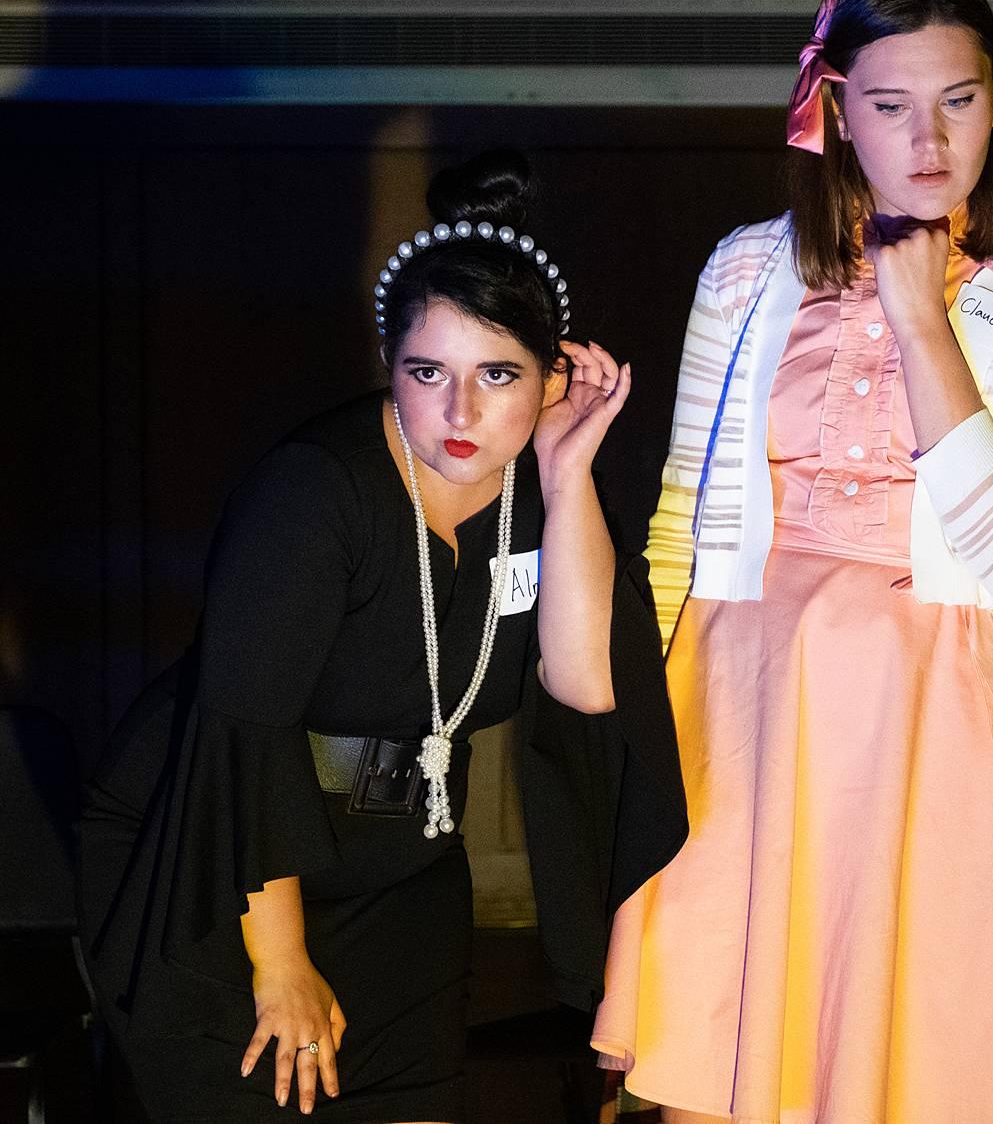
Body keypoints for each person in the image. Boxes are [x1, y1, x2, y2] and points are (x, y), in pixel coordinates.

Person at [592, 0, 993, 1123]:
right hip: (742, 702)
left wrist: (921, 318)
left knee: (927, 1065)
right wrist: (652, 720)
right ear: (835, 108)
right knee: (722, 1067)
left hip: (940, 707)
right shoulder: (743, 266)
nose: (927, 137)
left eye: (957, 99)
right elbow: (680, 522)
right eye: (888, 104)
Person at [80, 152, 681, 1122]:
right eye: (427, 371)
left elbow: (587, 685)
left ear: (554, 373)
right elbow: (245, 738)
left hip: (399, 860)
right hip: (216, 849)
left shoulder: (548, 488)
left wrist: (569, 476)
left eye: (498, 374)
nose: (461, 411)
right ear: (386, 362)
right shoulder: (315, 493)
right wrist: (279, 965)